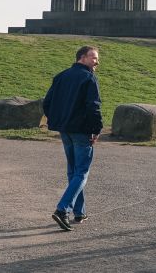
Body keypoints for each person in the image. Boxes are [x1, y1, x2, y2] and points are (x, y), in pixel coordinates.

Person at [42, 45, 103, 232]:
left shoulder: (61, 76)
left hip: (64, 130)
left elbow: (47, 103)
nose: (96, 62)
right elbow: (93, 107)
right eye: (93, 58)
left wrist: (56, 120)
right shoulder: (89, 78)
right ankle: (62, 209)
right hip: (81, 131)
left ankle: (79, 211)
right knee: (81, 172)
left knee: (73, 171)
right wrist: (96, 129)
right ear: (82, 58)